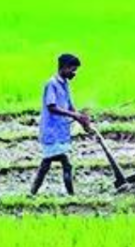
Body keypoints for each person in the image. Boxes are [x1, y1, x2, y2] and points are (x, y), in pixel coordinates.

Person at [31, 54, 92, 196]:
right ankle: (70, 195)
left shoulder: (65, 84)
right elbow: (52, 107)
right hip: (52, 131)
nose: (74, 73)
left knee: (48, 165)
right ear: (64, 68)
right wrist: (74, 115)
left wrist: (82, 120)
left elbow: (71, 107)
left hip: (60, 131)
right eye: (72, 69)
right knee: (60, 164)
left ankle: (33, 193)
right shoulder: (51, 84)